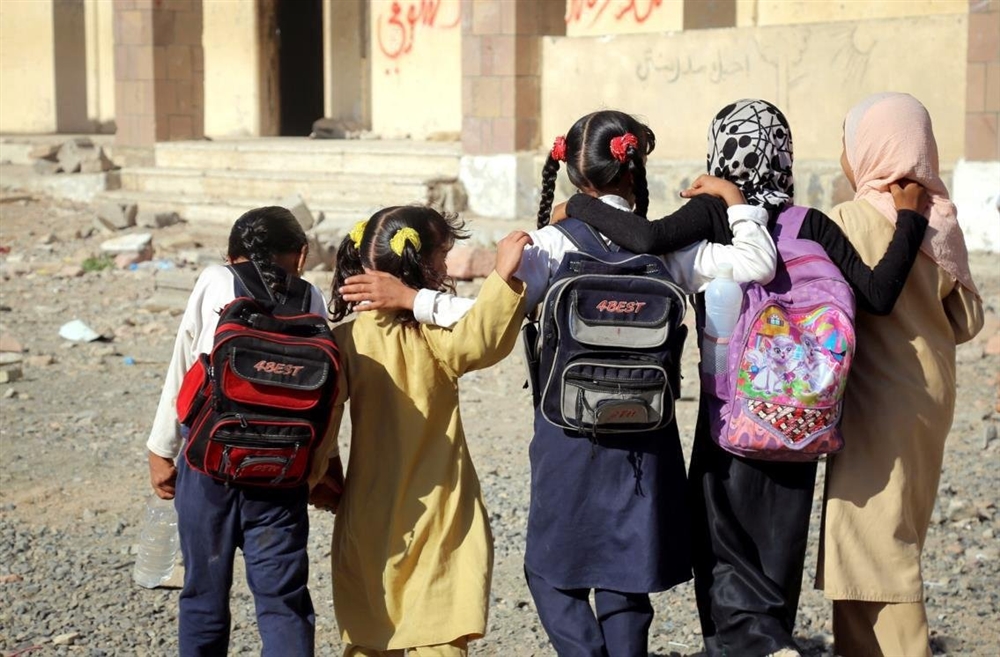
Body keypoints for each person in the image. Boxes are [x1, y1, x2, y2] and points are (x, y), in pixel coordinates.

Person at [338, 109, 779, 657]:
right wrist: (736, 202)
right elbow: (758, 264)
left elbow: (485, 316)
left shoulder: (550, 245)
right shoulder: (670, 248)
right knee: (626, 577)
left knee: (551, 571)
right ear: (633, 169)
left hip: (567, 433)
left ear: (570, 172)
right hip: (647, 437)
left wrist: (413, 299)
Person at [564, 99, 931, 657]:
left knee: (722, 545)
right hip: (800, 418)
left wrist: (577, 204)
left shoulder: (715, 212)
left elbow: (646, 239)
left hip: (729, 418)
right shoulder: (811, 222)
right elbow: (878, 296)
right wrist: (911, 219)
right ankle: (772, 635)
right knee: (777, 548)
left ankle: (757, 645)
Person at [311, 206, 528, 657]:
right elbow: (484, 335)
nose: (446, 268)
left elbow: (324, 424)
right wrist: (502, 278)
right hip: (440, 513)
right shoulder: (435, 336)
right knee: (440, 633)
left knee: (373, 633)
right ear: (419, 263)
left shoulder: (345, 341)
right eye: (443, 256)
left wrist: (322, 477)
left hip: (368, 511)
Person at [816, 92, 984, 657]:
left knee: (875, 537)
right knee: (889, 528)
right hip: (930, 396)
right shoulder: (942, 220)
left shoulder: (848, 220)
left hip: (875, 401)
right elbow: (967, 321)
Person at [145, 206, 340, 657]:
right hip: (283, 471)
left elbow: (183, 367)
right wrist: (324, 467)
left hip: (208, 464)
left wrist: (160, 449)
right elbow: (326, 398)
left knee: (203, 595)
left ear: (231, 255)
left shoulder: (215, 279)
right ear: (302, 254)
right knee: (284, 601)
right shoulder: (310, 297)